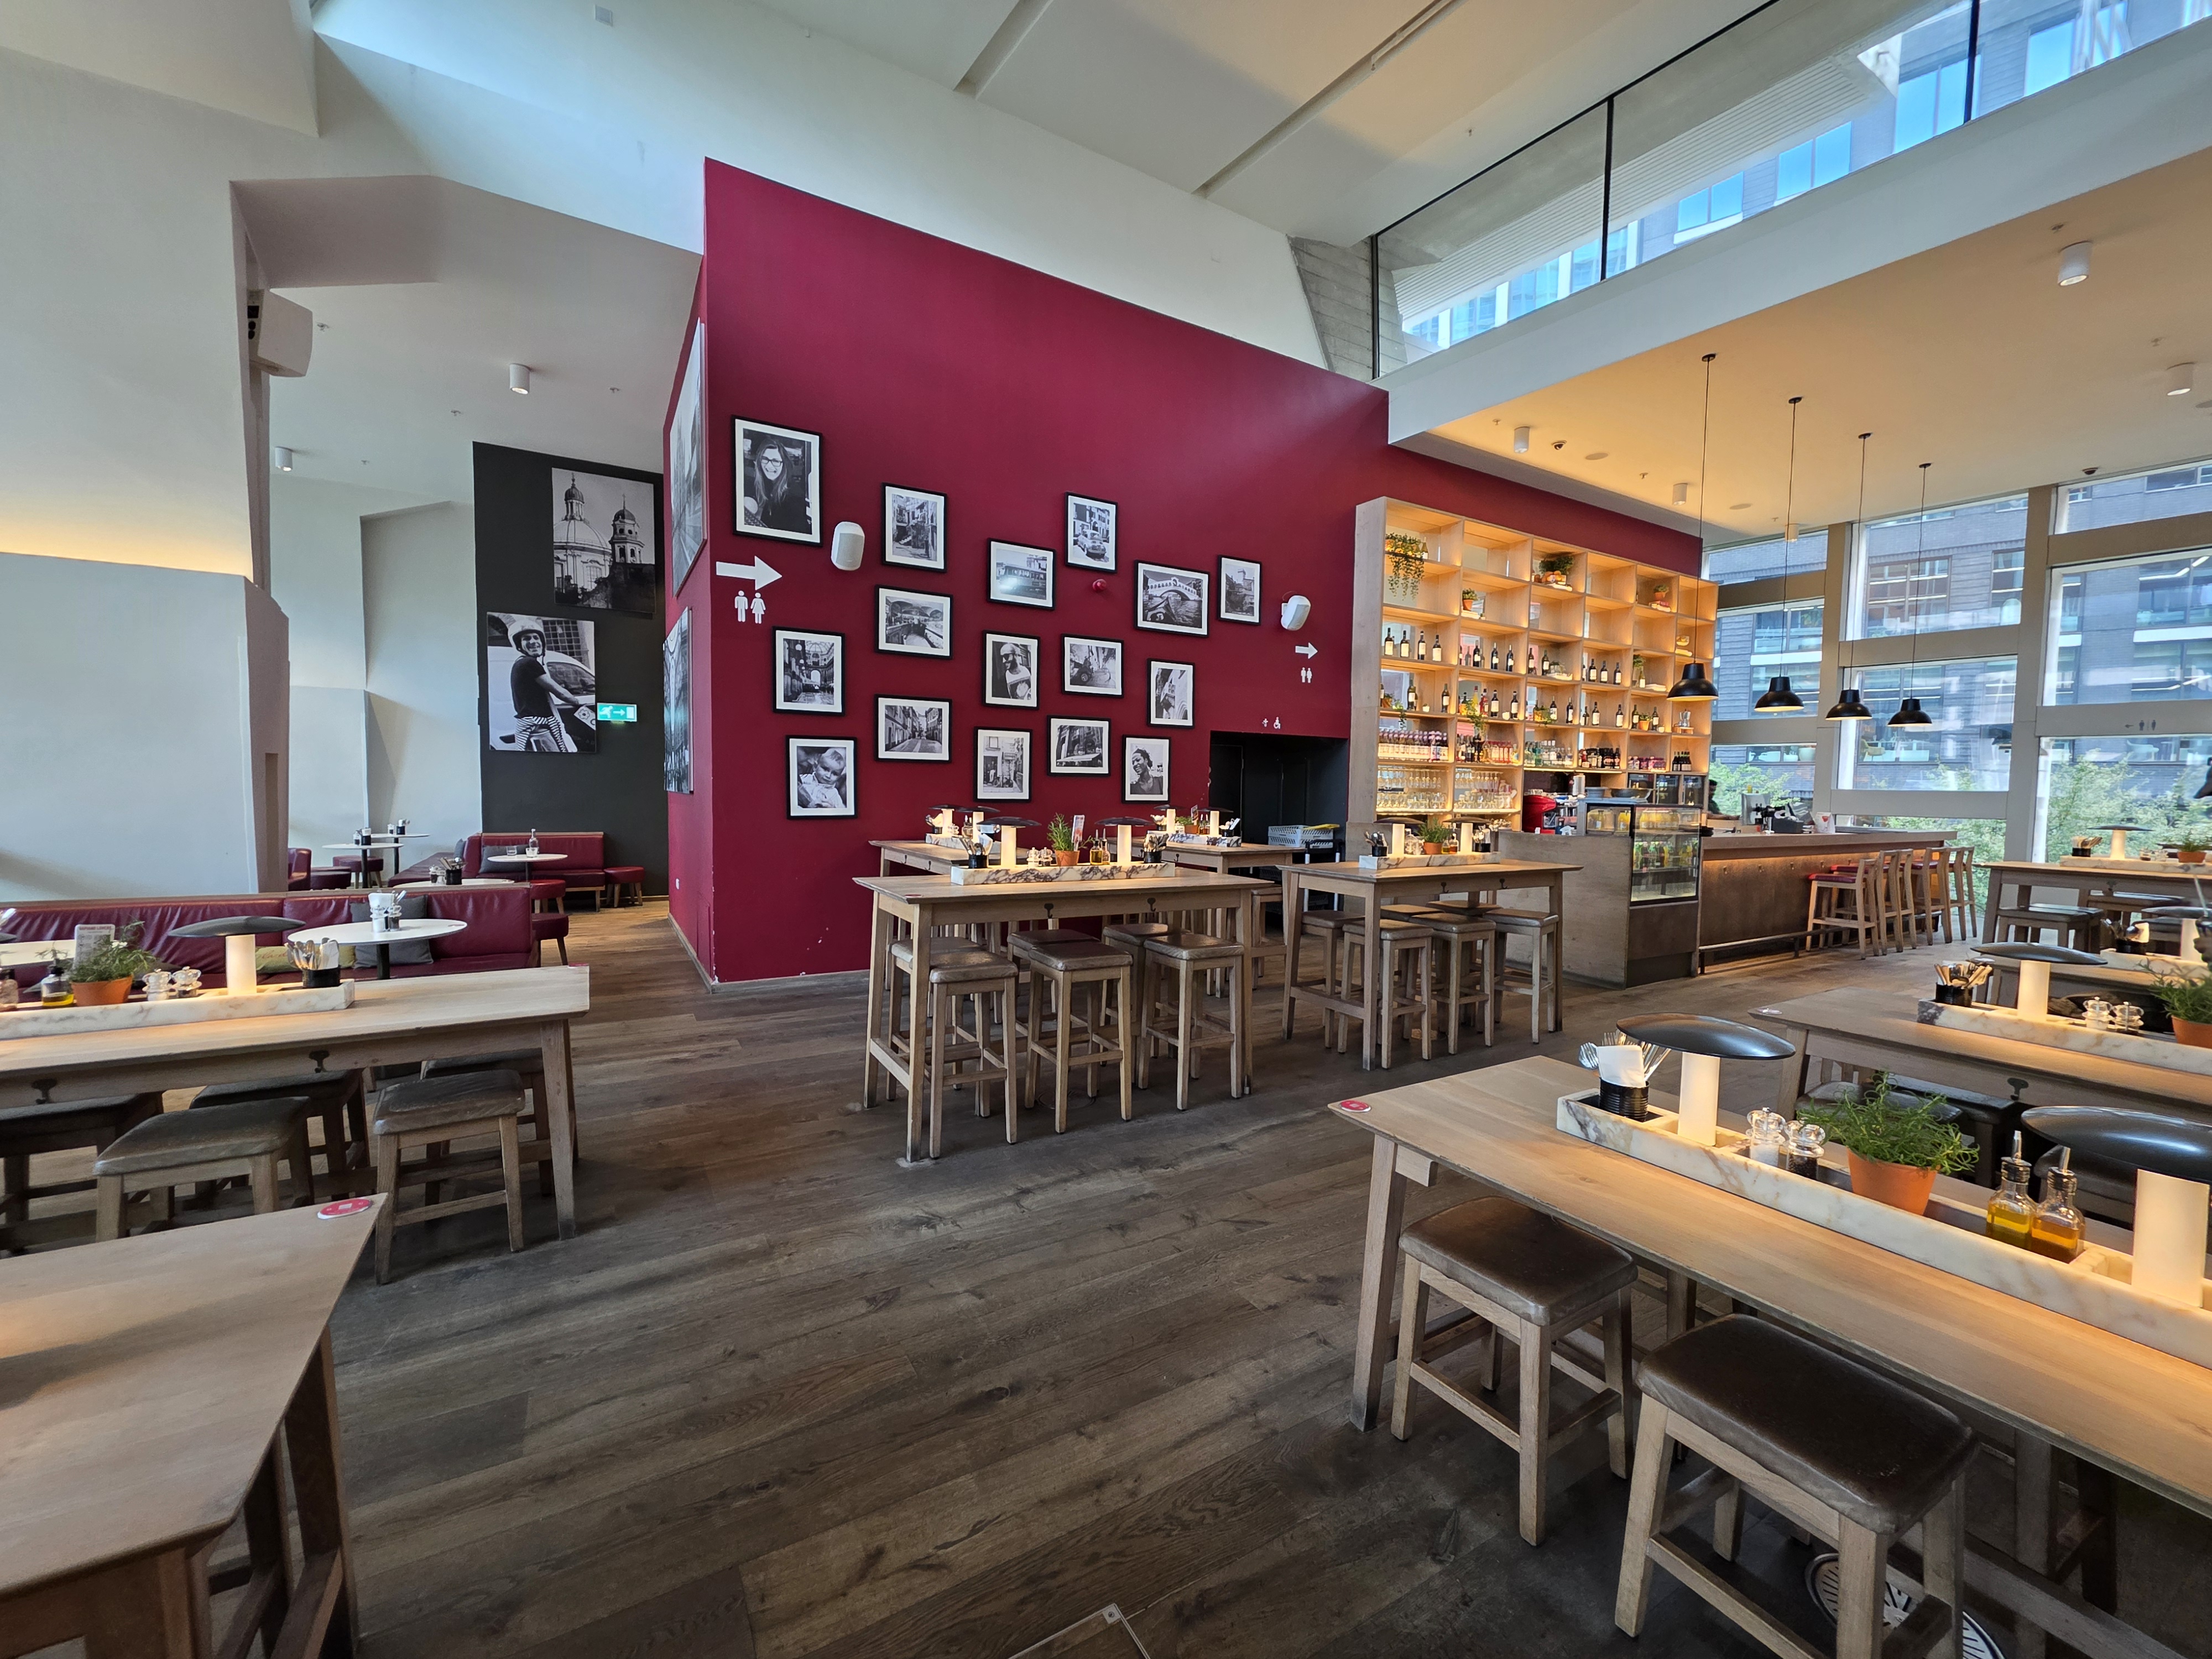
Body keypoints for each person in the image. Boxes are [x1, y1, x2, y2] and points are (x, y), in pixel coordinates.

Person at [508, 618, 588, 752]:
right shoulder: (529, 663)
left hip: (528, 727)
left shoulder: (520, 663)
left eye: (536, 638)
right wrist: (577, 702)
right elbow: (560, 692)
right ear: (520, 645)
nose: (533, 642)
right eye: (527, 639)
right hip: (540, 727)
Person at [744, 438, 810, 534]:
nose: (770, 466)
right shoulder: (767, 482)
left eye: (776, 461)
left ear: (784, 465)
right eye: (765, 459)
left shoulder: (793, 496)